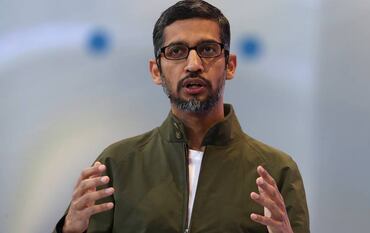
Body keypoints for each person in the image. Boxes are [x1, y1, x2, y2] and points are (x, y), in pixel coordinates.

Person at [53, 1, 309, 232]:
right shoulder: (116, 165)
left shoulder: (276, 171)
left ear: (230, 65)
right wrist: (70, 231)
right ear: (156, 71)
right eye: (176, 51)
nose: (194, 64)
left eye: (208, 49)